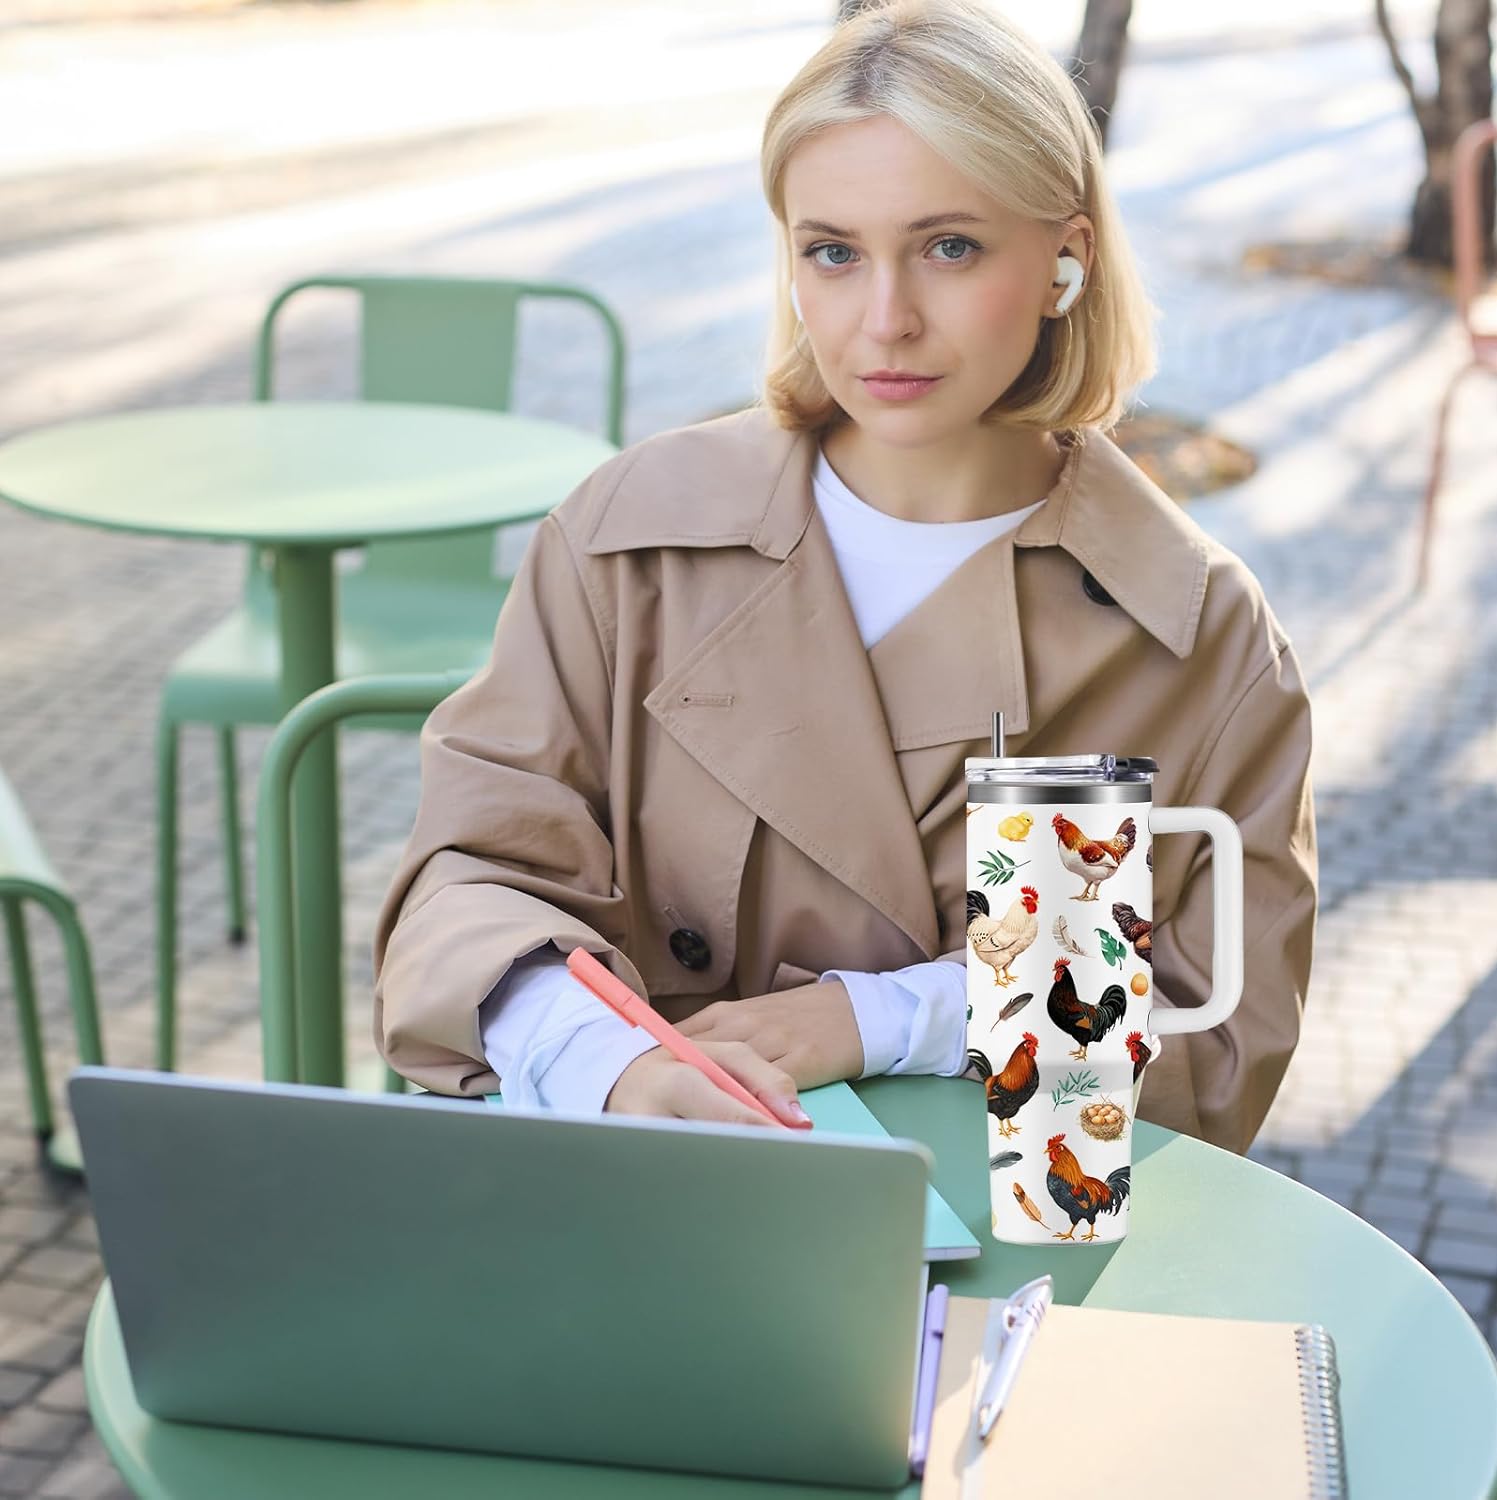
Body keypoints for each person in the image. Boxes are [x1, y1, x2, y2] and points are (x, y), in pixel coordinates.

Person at [372, 0, 1316, 1155]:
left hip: (1002, 1233)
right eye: (833, 252)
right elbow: (468, 884)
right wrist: (606, 1064)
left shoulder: (1198, 634)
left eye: (950, 247)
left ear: (1065, 259)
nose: (885, 322)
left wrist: (881, 1019)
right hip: (643, 1188)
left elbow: (1219, 1044)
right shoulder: (631, 541)